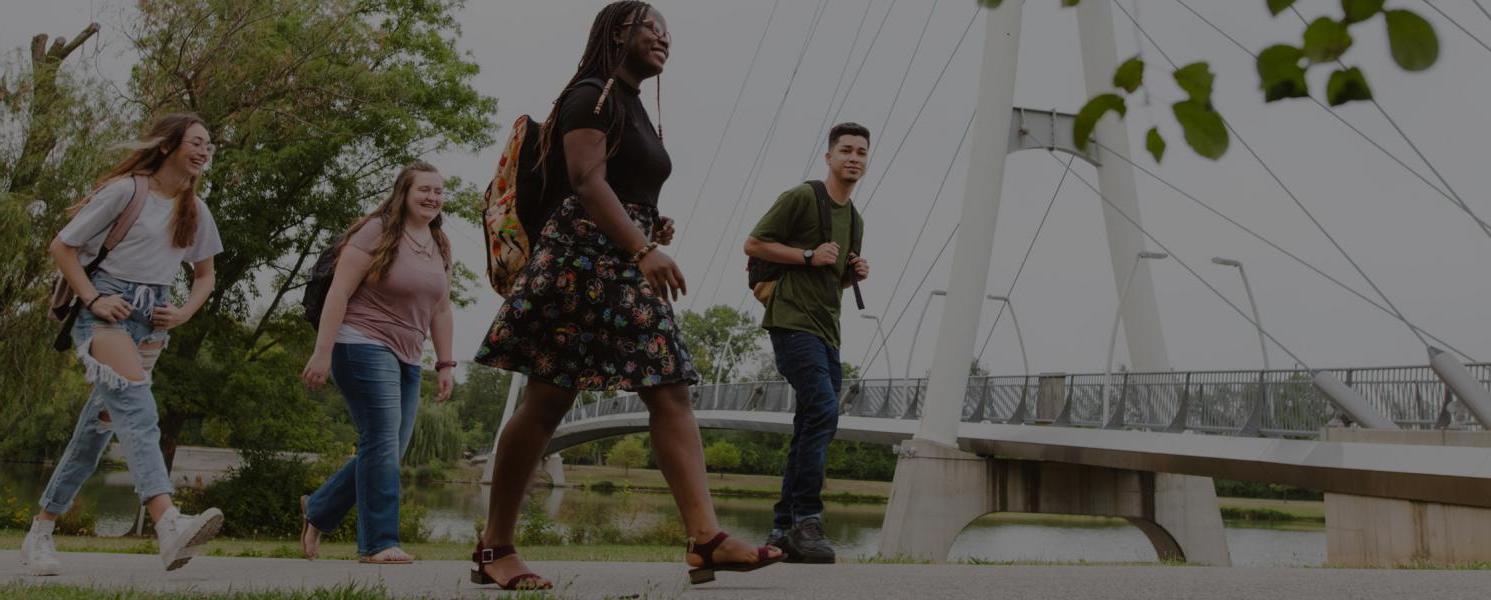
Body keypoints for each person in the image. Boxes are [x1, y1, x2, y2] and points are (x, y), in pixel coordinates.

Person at [472, 1, 782, 589]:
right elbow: (586, 181)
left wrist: (647, 228)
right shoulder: (591, 93)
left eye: (669, 33)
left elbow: (616, 186)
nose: (664, 38)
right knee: (546, 401)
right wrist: (643, 248)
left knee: (668, 386)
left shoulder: (630, 105)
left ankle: (706, 539)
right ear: (619, 32)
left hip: (617, 262)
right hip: (579, 263)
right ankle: (496, 547)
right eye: (651, 28)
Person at [22, 113, 227, 575]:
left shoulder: (197, 209)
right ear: (167, 146)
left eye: (209, 145)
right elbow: (62, 246)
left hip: (153, 322)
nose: (204, 150)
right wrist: (93, 297)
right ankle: (168, 524)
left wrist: (184, 312)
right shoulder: (126, 191)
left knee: (92, 437)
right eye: (196, 142)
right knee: (139, 412)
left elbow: (205, 276)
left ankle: (40, 532)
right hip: (106, 314)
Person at [299, 161, 456, 565]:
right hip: (360, 342)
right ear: (403, 192)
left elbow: (441, 309)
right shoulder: (375, 231)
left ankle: (317, 509)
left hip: (408, 354)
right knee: (383, 442)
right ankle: (379, 543)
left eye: (438, 191)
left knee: (388, 449)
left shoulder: (439, 244)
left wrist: (445, 363)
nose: (432, 197)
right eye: (424, 189)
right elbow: (339, 292)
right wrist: (322, 351)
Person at [743, 122, 872, 564]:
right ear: (829, 157)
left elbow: (830, 282)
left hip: (827, 330)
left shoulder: (854, 220)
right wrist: (806, 255)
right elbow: (754, 243)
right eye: (846, 151)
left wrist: (849, 275)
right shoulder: (802, 197)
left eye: (861, 152)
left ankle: (782, 529)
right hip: (791, 322)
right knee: (821, 409)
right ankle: (807, 519)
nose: (854, 158)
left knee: (813, 422)